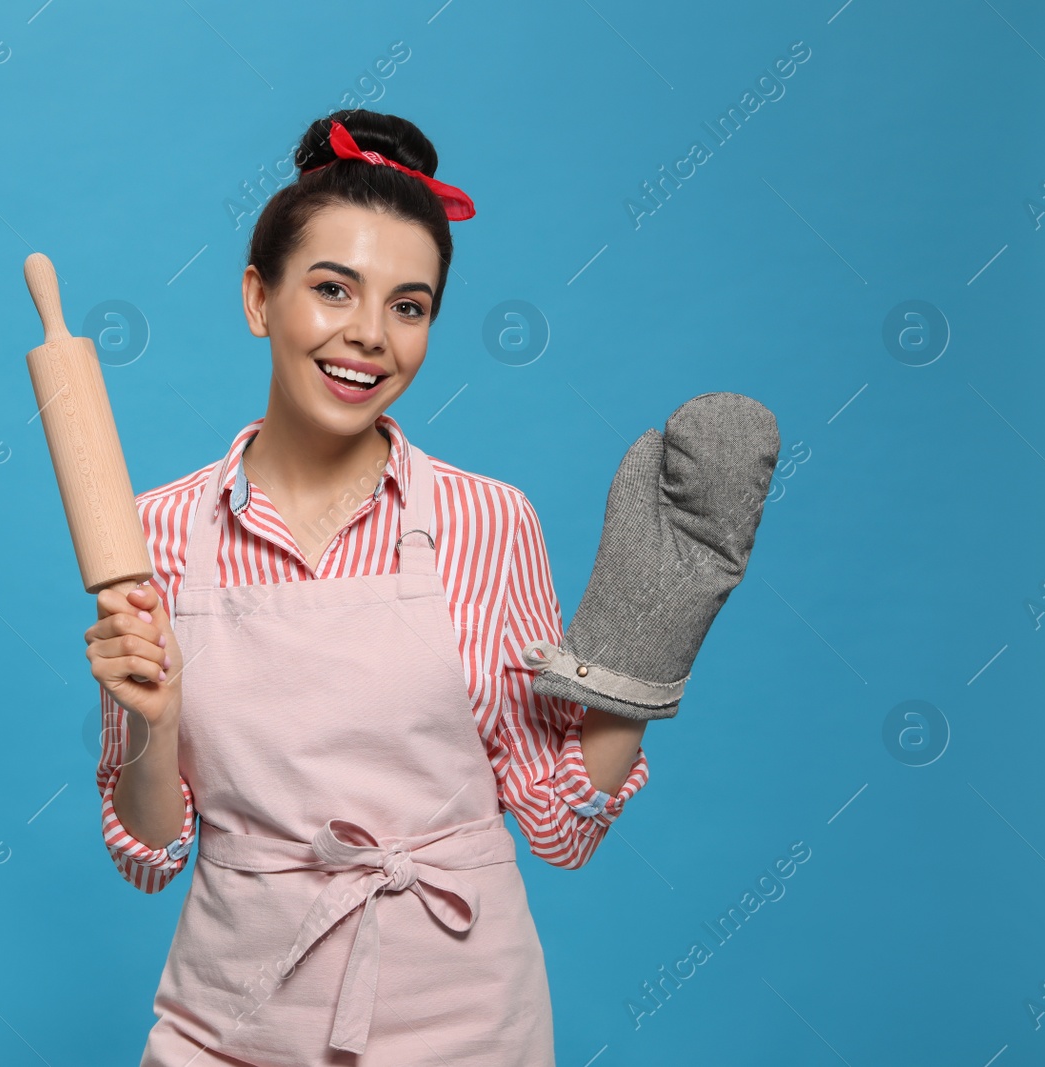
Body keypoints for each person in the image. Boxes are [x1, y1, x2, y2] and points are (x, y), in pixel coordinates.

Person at [84, 108, 649, 1065]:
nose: (369, 337)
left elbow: (559, 828)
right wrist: (155, 721)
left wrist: (644, 654)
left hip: (469, 1030)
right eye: (334, 289)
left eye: (409, 304)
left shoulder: (490, 522)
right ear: (259, 298)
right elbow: (151, 854)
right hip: (231, 1026)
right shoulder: (154, 531)